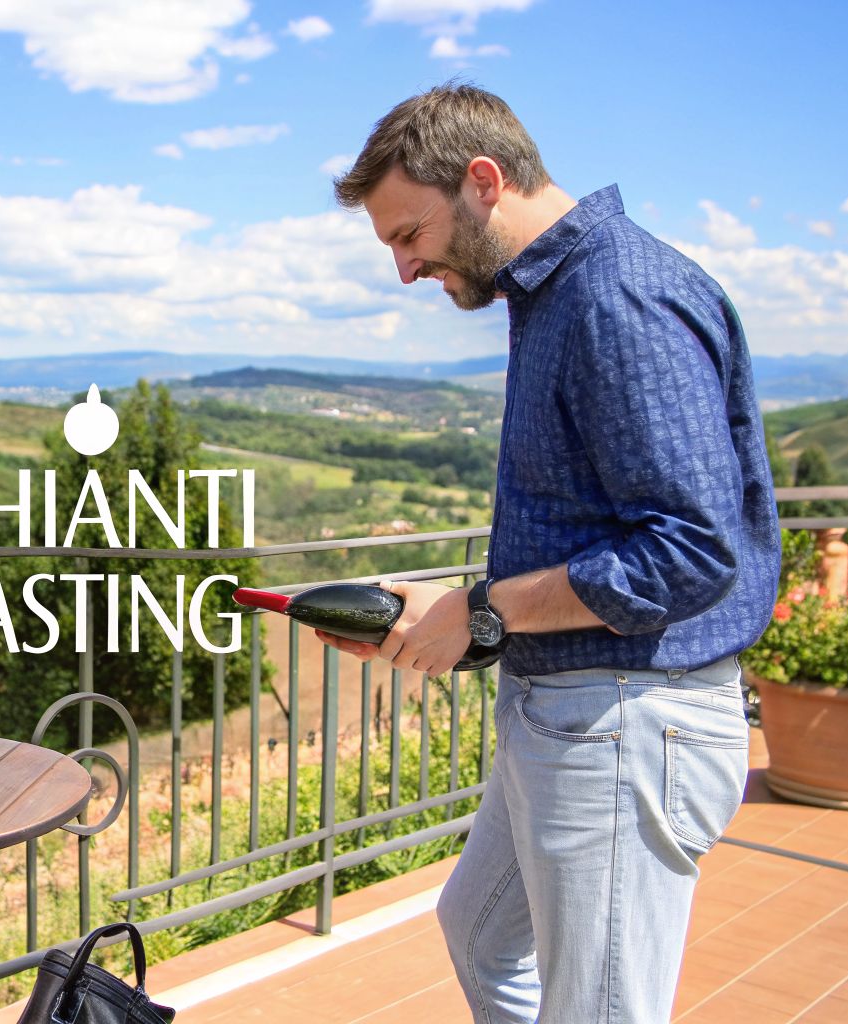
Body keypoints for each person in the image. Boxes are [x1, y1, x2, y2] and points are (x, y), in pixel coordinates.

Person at [321, 84, 779, 1022]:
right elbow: (590, 531)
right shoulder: (554, 295)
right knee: (481, 935)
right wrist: (451, 618)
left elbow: (692, 552)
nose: (405, 270)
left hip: (625, 726)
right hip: (570, 712)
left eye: (410, 235)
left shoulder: (618, 296)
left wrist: (484, 609)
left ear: (482, 182)